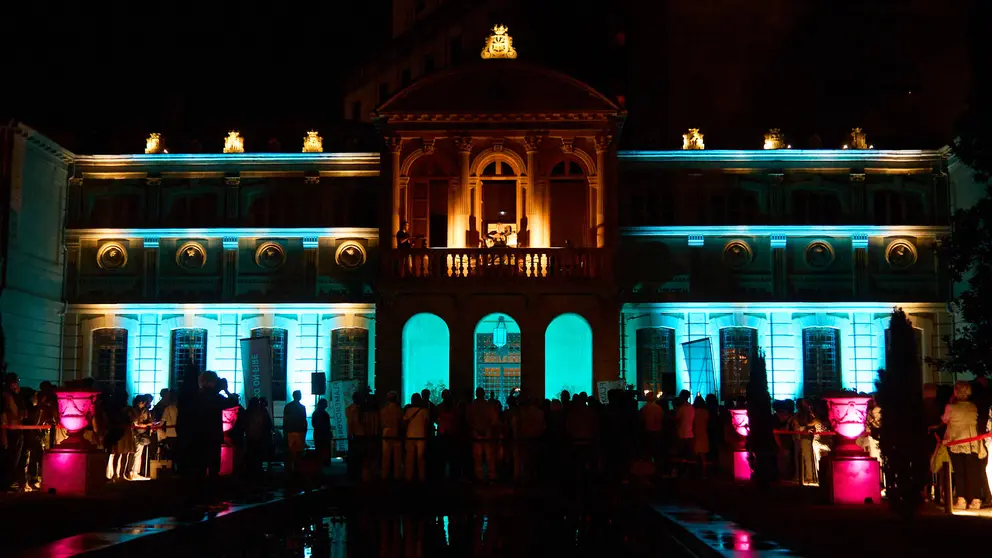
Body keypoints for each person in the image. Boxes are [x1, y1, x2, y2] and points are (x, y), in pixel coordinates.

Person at [943, 381, 987, 510]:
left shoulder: (950, 407)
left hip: (955, 441)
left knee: (959, 472)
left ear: (956, 391)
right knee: (973, 471)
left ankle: (961, 499)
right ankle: (976, 499)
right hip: (972, 441)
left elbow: (945, 420)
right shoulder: (973, 407)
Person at [468, 387, 498, 481]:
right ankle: (491, 475)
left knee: (478, 457)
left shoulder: (472, 406)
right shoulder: (488, 406)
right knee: (489, 457)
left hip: (476, 434)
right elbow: (494, 420)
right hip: (487, 434)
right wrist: (487, 429)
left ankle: (479, 476)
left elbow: (469, 421)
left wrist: (476, 429)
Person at [1, 373, 25, 492]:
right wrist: (3, 434)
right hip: (10, 430)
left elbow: (21, 413)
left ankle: (9, 481)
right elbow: (4, 414)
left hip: (16, 430)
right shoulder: (7, 395)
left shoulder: (15, 396)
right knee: (9, 458)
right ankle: (6, 483)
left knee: (14, 458)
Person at [403, 393, 429, 482]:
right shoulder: (424, 411)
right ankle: (422, 477)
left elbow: (404, 423)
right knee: (421, 459)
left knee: (409, 459)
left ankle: (408, 477)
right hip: (421, 436)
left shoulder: (408, 411)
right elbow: (426, 425)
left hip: (410, 436)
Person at [283, 390, 308, 475]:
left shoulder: (288, 406)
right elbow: (304, 420)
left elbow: (285, 420)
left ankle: (291, 470)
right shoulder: (302, 407)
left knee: (291, 452)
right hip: (299, 432)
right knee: (299, 452)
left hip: (291, 432)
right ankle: (298, 469)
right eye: (300, 394)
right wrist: (305, 430)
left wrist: (285, 431)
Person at [380, 391, 403, 480]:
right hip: (396, 433)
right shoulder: (399, 410)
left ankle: (384, 475)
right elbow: (401, 423)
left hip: (386, 433)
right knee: (397, 457)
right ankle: (397, 475)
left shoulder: (383, 411)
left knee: (385, 456)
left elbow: (382, 424)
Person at [692, 396, 710, 478]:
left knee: (695, 453)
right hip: (703, 433)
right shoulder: (705, 412)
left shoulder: (694, 412)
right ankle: (704, 473)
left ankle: (695, 473)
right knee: (703, 456)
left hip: (695, 432)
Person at [312, 399, 332, 466]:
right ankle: (325, 462)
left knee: (319, 449)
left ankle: (320, 463)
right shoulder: (325, 414)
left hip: (318, 434)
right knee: (325, 449)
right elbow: (328, 425)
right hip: (324, 435)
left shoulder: (315, 413)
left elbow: (314, 424)